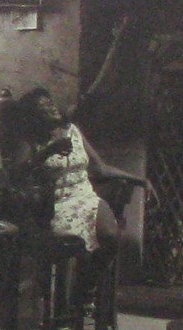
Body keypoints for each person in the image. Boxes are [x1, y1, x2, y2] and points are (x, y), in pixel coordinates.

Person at [9, 86, 150, 261]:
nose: (51, 108)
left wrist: (140, 180)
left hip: (85, 197)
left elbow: (101, 168)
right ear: (34, 116)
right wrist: (48, 151)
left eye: (50, 103)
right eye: (43, 107)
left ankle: (94, 278)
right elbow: (18, 174)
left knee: (110, 235)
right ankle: (80, 277)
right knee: (75, 250)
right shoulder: (31, 141)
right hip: (55, 205)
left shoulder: (73, 131)